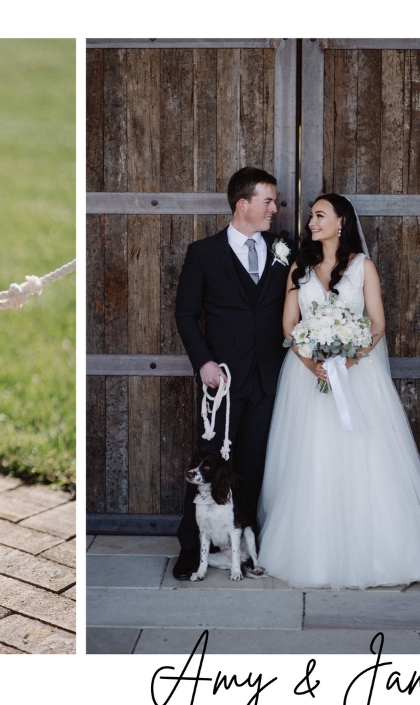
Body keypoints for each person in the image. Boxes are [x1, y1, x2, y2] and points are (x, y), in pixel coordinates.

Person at [256, 194, 420, 589]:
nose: (311, 222)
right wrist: (310, 360)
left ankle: (379, 549)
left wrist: (350, 357)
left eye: (319, 215)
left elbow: (378, 324)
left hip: (357, 375)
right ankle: (312, 551)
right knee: (311, 457)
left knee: (364, 456)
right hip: (307, 376)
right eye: (312, 216)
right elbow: (288, 325)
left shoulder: (363, 267)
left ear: (341, 222)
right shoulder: (300, 267)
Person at [172, 167, 290, 580]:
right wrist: (203, 361)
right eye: (268, 201)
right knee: (209, 463)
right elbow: (186, 313)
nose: (275, 208)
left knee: (255, 464)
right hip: (220, 381)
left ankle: (247, 543)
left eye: (275, 202)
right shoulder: (204, 253)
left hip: (269, 378)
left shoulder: (282, 248)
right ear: (243, 205)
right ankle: (190, 546)